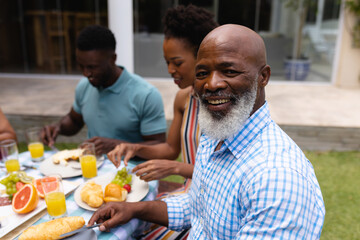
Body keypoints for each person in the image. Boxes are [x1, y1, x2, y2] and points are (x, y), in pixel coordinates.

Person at [89, 24, 325, 239]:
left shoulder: (275, 177)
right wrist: (133, 209)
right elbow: (197, 209)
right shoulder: (215, 136)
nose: (212, 84)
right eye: (202, 73)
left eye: (229, 71)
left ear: (263, 77)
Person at [108, 5, 217, 185]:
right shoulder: (184, 99)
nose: (170, 70)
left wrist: (175, 168)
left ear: (201, 56)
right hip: (191, 193)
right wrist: (134, 148)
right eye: (167, 62)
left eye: (177, 62)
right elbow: (170, 149)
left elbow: (227, 171)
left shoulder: (223, 103)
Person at [41, 25, 167, 155]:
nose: (86, 73)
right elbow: (74, 120)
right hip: (93, 168)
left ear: (113, 59)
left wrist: (117, 146)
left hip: (132, 171)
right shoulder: (84, 86)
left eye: (92, 67)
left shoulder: (146, 95)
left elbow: (159, 145)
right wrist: (58, 127)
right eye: (81, 66)